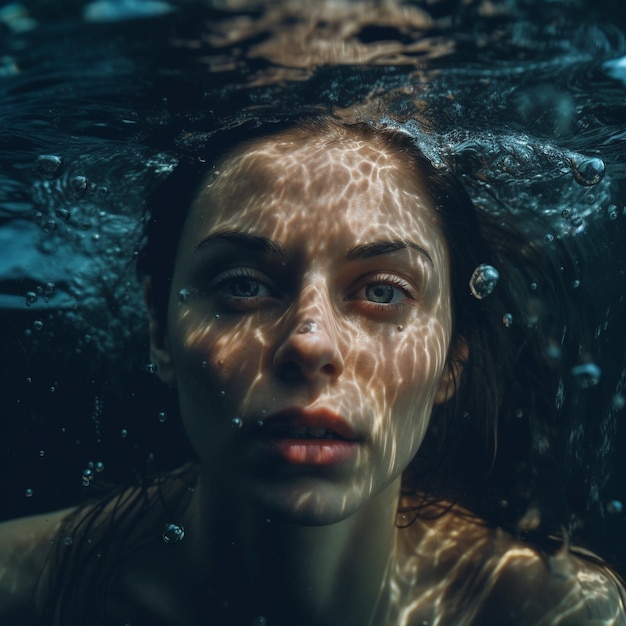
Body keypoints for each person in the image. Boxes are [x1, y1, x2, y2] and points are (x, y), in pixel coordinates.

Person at [0, 115, 624, 626]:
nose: (309, 342)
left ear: (451, 357)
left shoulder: (553, 613)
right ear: (161, 330)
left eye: (383, 292)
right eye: (243, 284)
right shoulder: (19, 589)